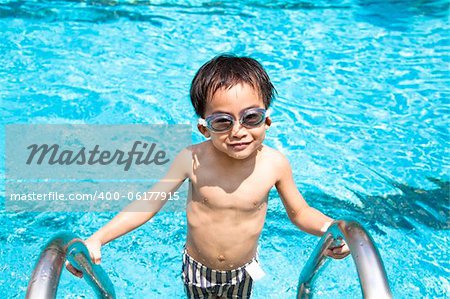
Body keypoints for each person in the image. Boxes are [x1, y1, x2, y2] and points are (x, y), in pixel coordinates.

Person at [66, 54, 350, 298]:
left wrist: (332, 230)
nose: (238, 131)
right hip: (197, 269)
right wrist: (98, 238)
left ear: (267, 120)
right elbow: (148, 205)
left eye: (250, 117)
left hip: (243, 270)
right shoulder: (191, 159)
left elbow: (299, 212)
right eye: (223, 122)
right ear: (205, 129)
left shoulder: (274, 164)